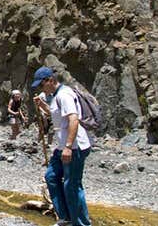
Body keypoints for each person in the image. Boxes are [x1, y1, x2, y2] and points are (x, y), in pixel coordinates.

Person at [32, 66, 92, 226]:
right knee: (51, 177)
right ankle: (65, 217)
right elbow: (57, 115)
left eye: (41, 85)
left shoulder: (64, 95)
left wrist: (68, 147)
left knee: (72, 185)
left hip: (74, 147)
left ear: (50, 80)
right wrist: (43, 106)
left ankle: (81, 223)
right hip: (62, 148)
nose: (40, 88)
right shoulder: (55, 96)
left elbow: (73, 120)